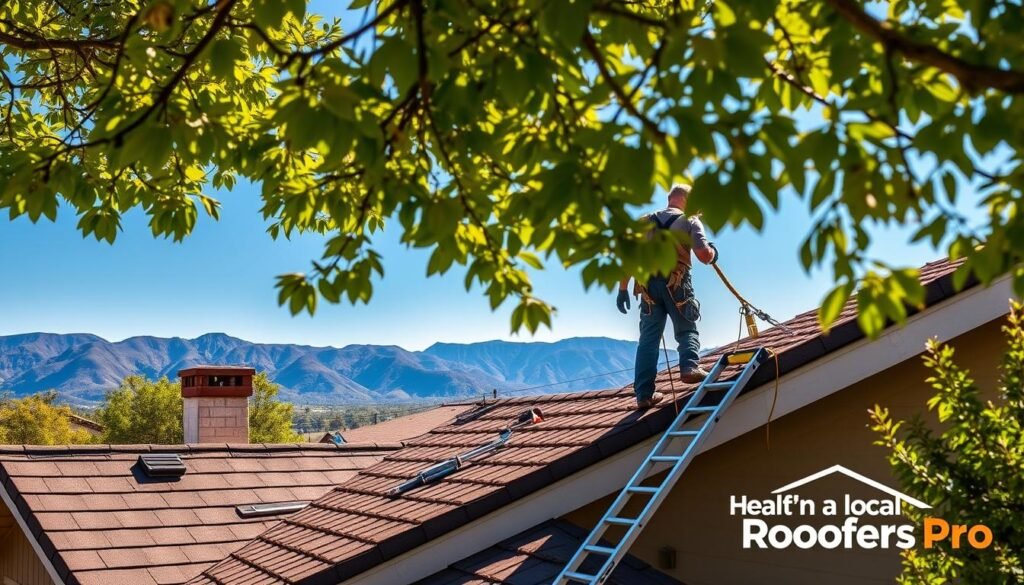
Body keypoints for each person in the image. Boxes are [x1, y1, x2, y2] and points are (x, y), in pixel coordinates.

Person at [617, 184, 718, 409]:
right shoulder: (690, 221)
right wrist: (713, 251)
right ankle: (690, 366)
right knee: (686, 327)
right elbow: (703, 255)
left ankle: (644, 395)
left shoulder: (643, 222)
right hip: (677, 284)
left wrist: (623, 289)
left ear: (670, 198)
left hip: (648, 288)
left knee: (648, 340)